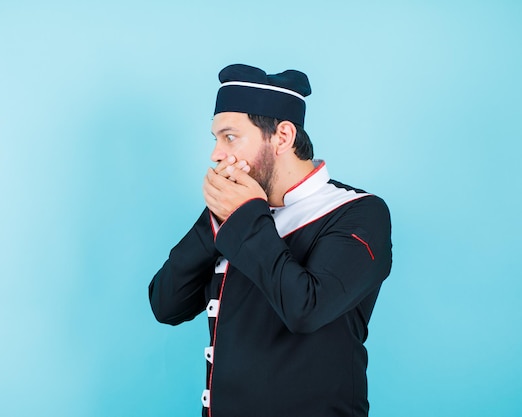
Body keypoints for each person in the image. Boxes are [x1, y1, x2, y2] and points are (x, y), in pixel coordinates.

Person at [148, 63, 392, 417]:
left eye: (229, 137)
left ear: (283, 137)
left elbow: (306, 310)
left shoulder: (358, 212)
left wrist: (243, 215)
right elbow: (165, 305)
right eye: (215, 138)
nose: (216, 154)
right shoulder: (237, 212)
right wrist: (216, 219)